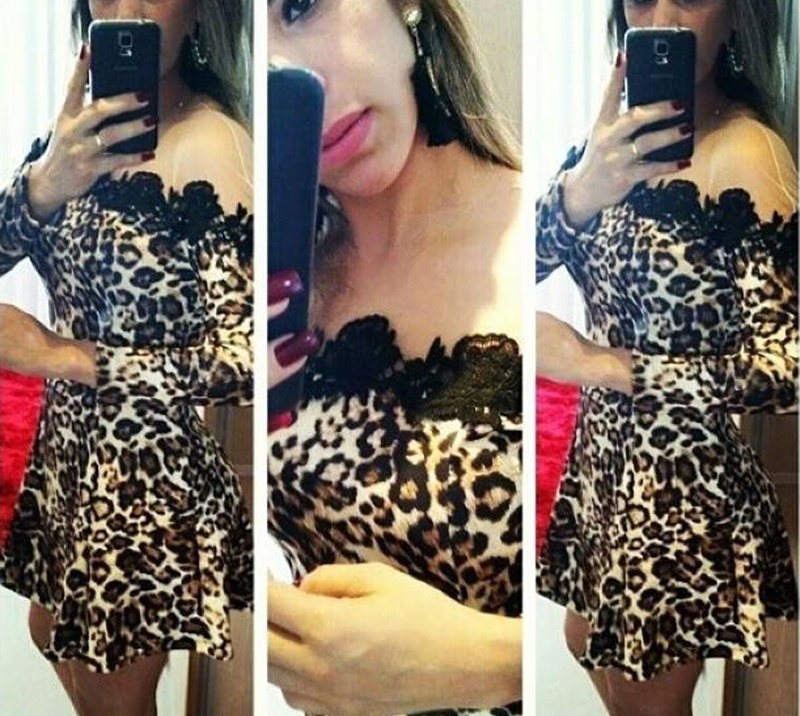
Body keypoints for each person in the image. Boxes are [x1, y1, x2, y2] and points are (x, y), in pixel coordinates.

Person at [536, 0, 798, 714]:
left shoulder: (748, 155)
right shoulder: (610, 147)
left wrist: (604, 365)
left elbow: (785, 368)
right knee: (584, 641)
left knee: (647, 703)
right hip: (603, 466)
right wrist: (580, 191)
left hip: (681, 490)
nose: (662, 19)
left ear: (738, 16)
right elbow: (519, 264)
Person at [267, 1, 523, 715]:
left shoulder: (550, 255)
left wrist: (491, 662)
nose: (300, 74)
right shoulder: (278, 281)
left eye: (300, 7)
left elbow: (665, 584)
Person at [0, 1, 253, 714]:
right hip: (69, 456)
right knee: (50, 633)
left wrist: (67, 357)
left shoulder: (214, 146)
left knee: (112, 695)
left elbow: (245, 359)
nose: (128, 7)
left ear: (200, 13)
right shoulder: (75, 139)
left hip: (144, 482)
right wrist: (43, 185)